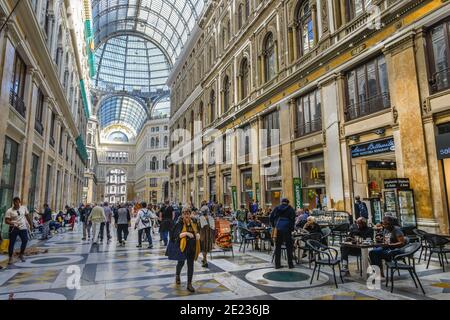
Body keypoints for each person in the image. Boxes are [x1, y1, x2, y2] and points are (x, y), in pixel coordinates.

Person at [166, 207, 200, 293]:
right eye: (184, 214)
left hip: (191, 246)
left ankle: (189, 284)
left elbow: (197, 231)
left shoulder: (193, 222)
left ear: (190, 214)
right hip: (181, 246)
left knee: (190, 265)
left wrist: (198, 234)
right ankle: (177, 275)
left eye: (188, 214)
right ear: (182, 215)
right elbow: (176, 236)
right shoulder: (179, 223)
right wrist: (186, 233)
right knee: (181, 262)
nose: (186, 215)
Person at [270, 198, 296, 269]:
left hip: (278, 229)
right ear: (288, 203)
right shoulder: (290, 209)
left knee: (278, 247)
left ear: (281, 202)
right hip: (287, 229)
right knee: (289, 247)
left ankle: (277, 264)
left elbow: (271, 217)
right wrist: (291, 229)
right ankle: (290, 264)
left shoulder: (276, 208)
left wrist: (274, 225)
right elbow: (293, 220)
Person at [5, 197, 31, 264]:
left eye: (17, 202)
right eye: (15, 202)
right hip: (14, 228)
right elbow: (6, 221)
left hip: (23, 228)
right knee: (12, 243)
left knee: (25, 240)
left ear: (19, 202)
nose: (16, 203)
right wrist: (13, 223)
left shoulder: (24, 208)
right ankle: (10, 258)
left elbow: (27, 216)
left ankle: (21, 254)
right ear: (13, 203)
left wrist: (31, 224)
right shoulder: (9, 210)